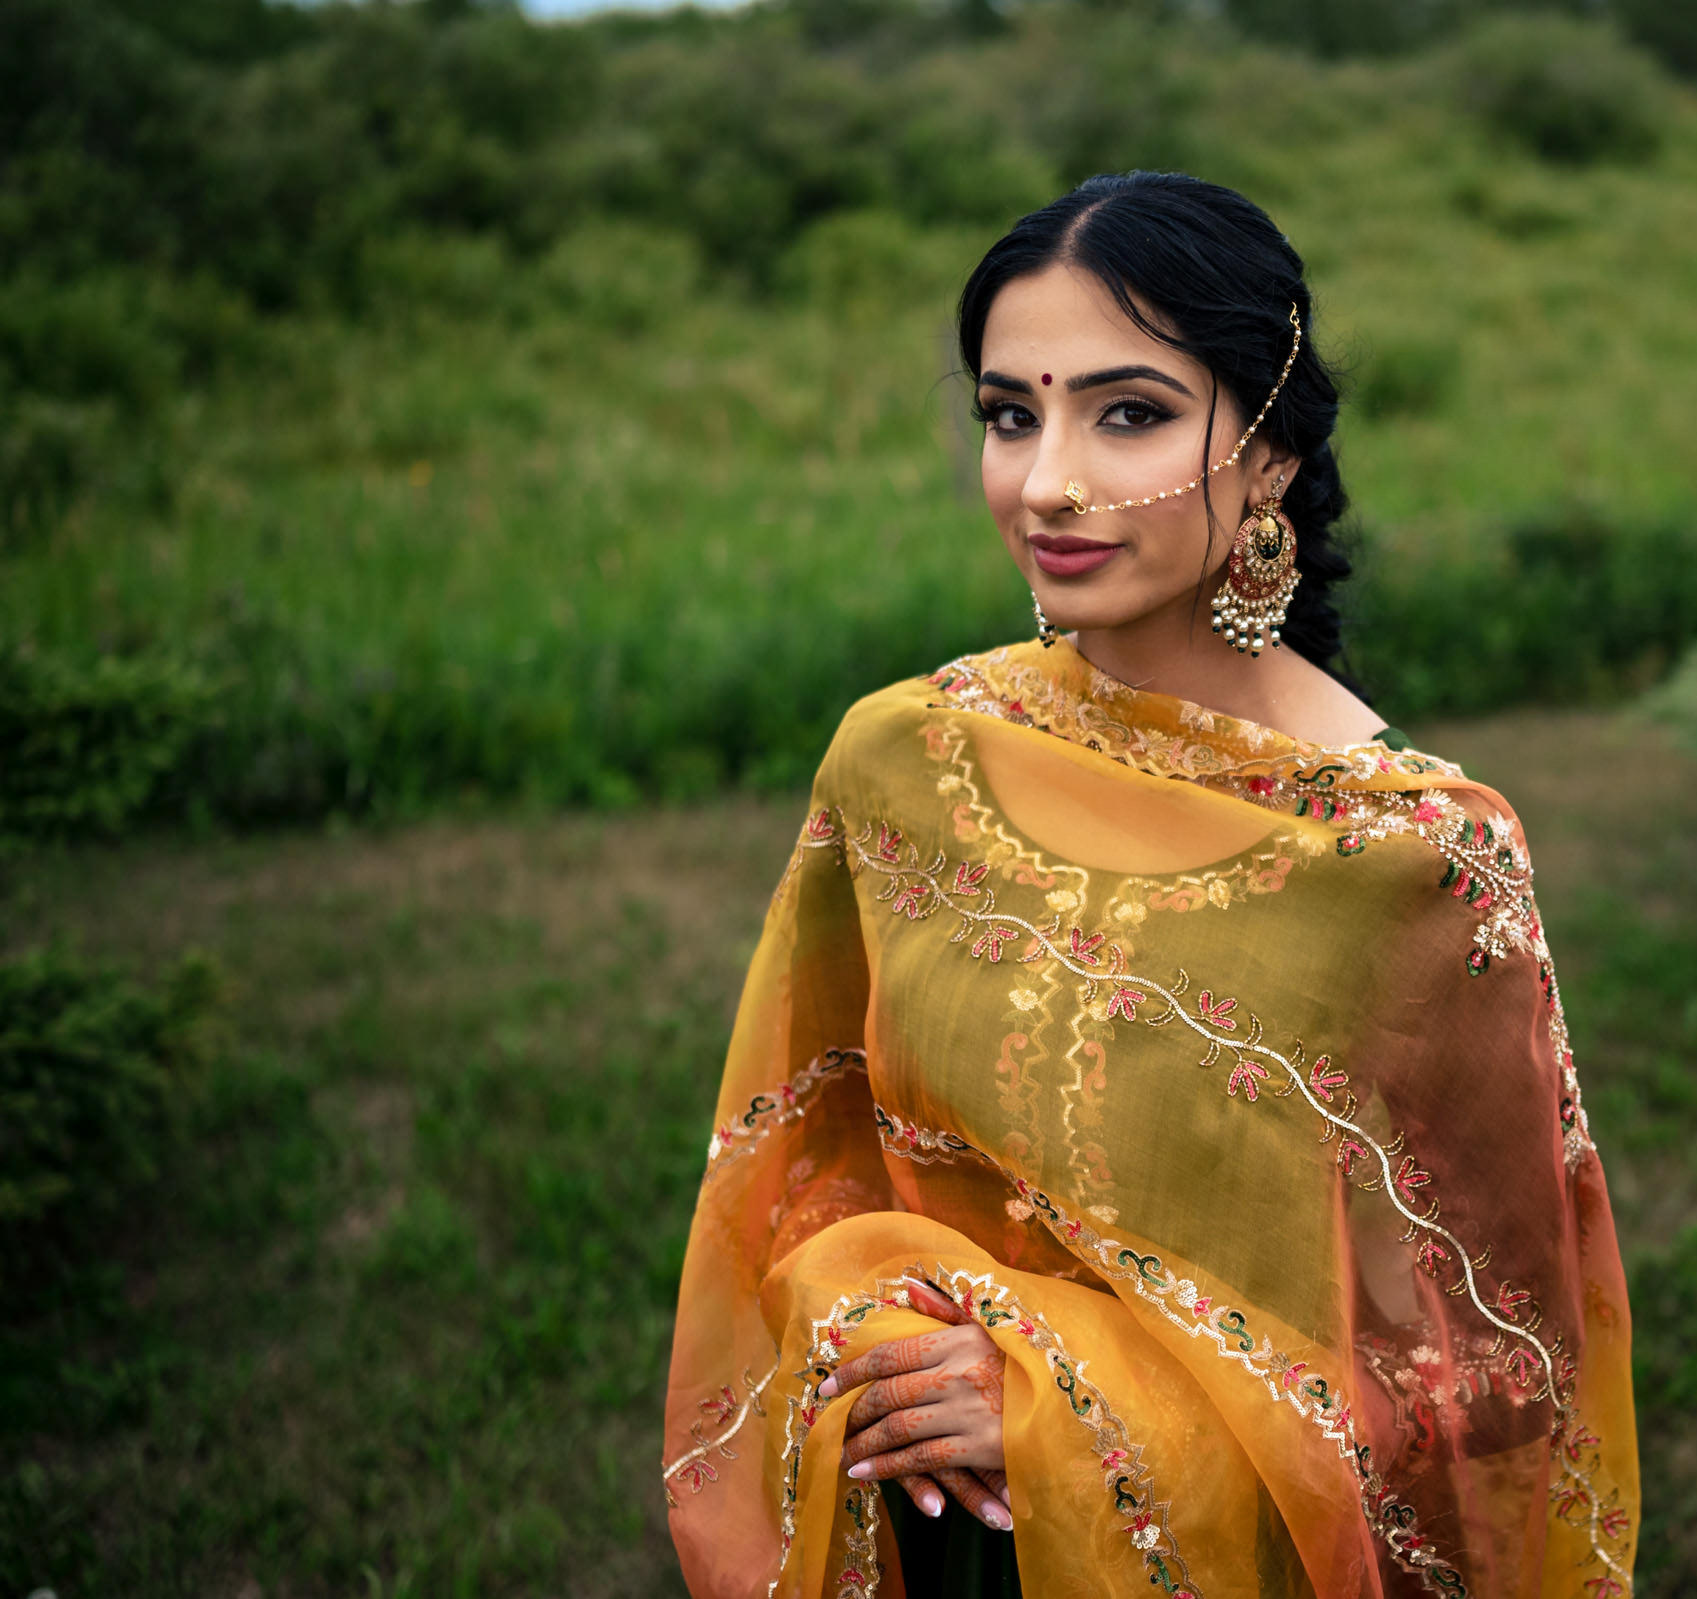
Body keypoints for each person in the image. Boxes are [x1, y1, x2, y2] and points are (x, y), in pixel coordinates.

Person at [660, 170, 1639, 1598]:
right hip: (921, 1531)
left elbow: (1500, 1375)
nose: (1047, 479)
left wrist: (1074, 1404)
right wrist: (874, 1318)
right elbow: (792, 1171)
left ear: (1271, 456)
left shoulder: (1407, 863)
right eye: (1011, 414)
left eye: (1129, 413)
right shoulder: (906, 761)